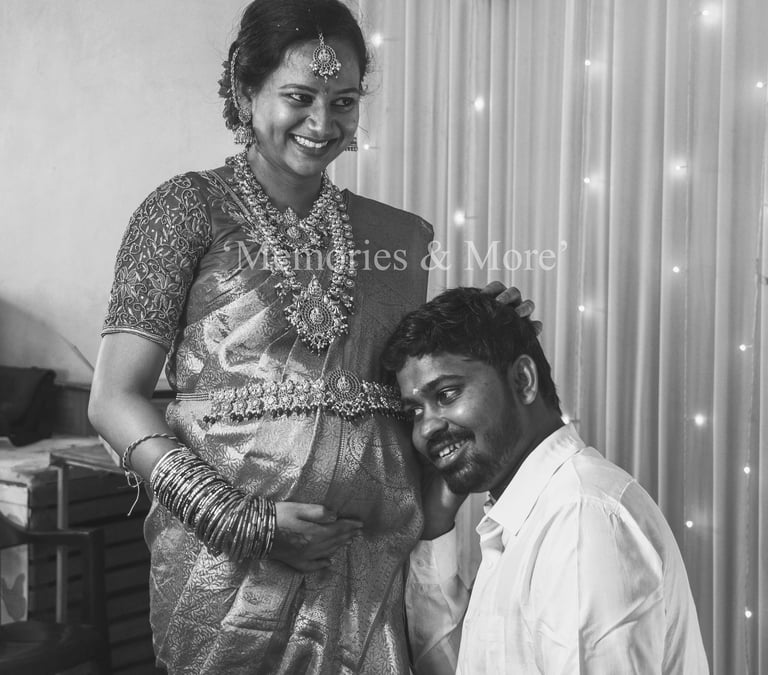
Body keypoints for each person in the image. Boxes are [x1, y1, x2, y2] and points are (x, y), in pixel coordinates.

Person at [88, 1, 438, 672]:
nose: (323, 123)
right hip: (223, 571)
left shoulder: (398, 237)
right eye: (300, 97)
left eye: (344, 101)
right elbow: (111, 399)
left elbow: (407, 394)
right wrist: (243, 523)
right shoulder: (183, 210)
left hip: (360, 567)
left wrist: (489, 338)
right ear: (246, 94)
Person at [381, 287, 709, 674]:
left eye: (447, 394)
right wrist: (435, 526)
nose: (427, 429)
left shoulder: (581, 519)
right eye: (415, 411)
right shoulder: (528, 517)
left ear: (522, 380)